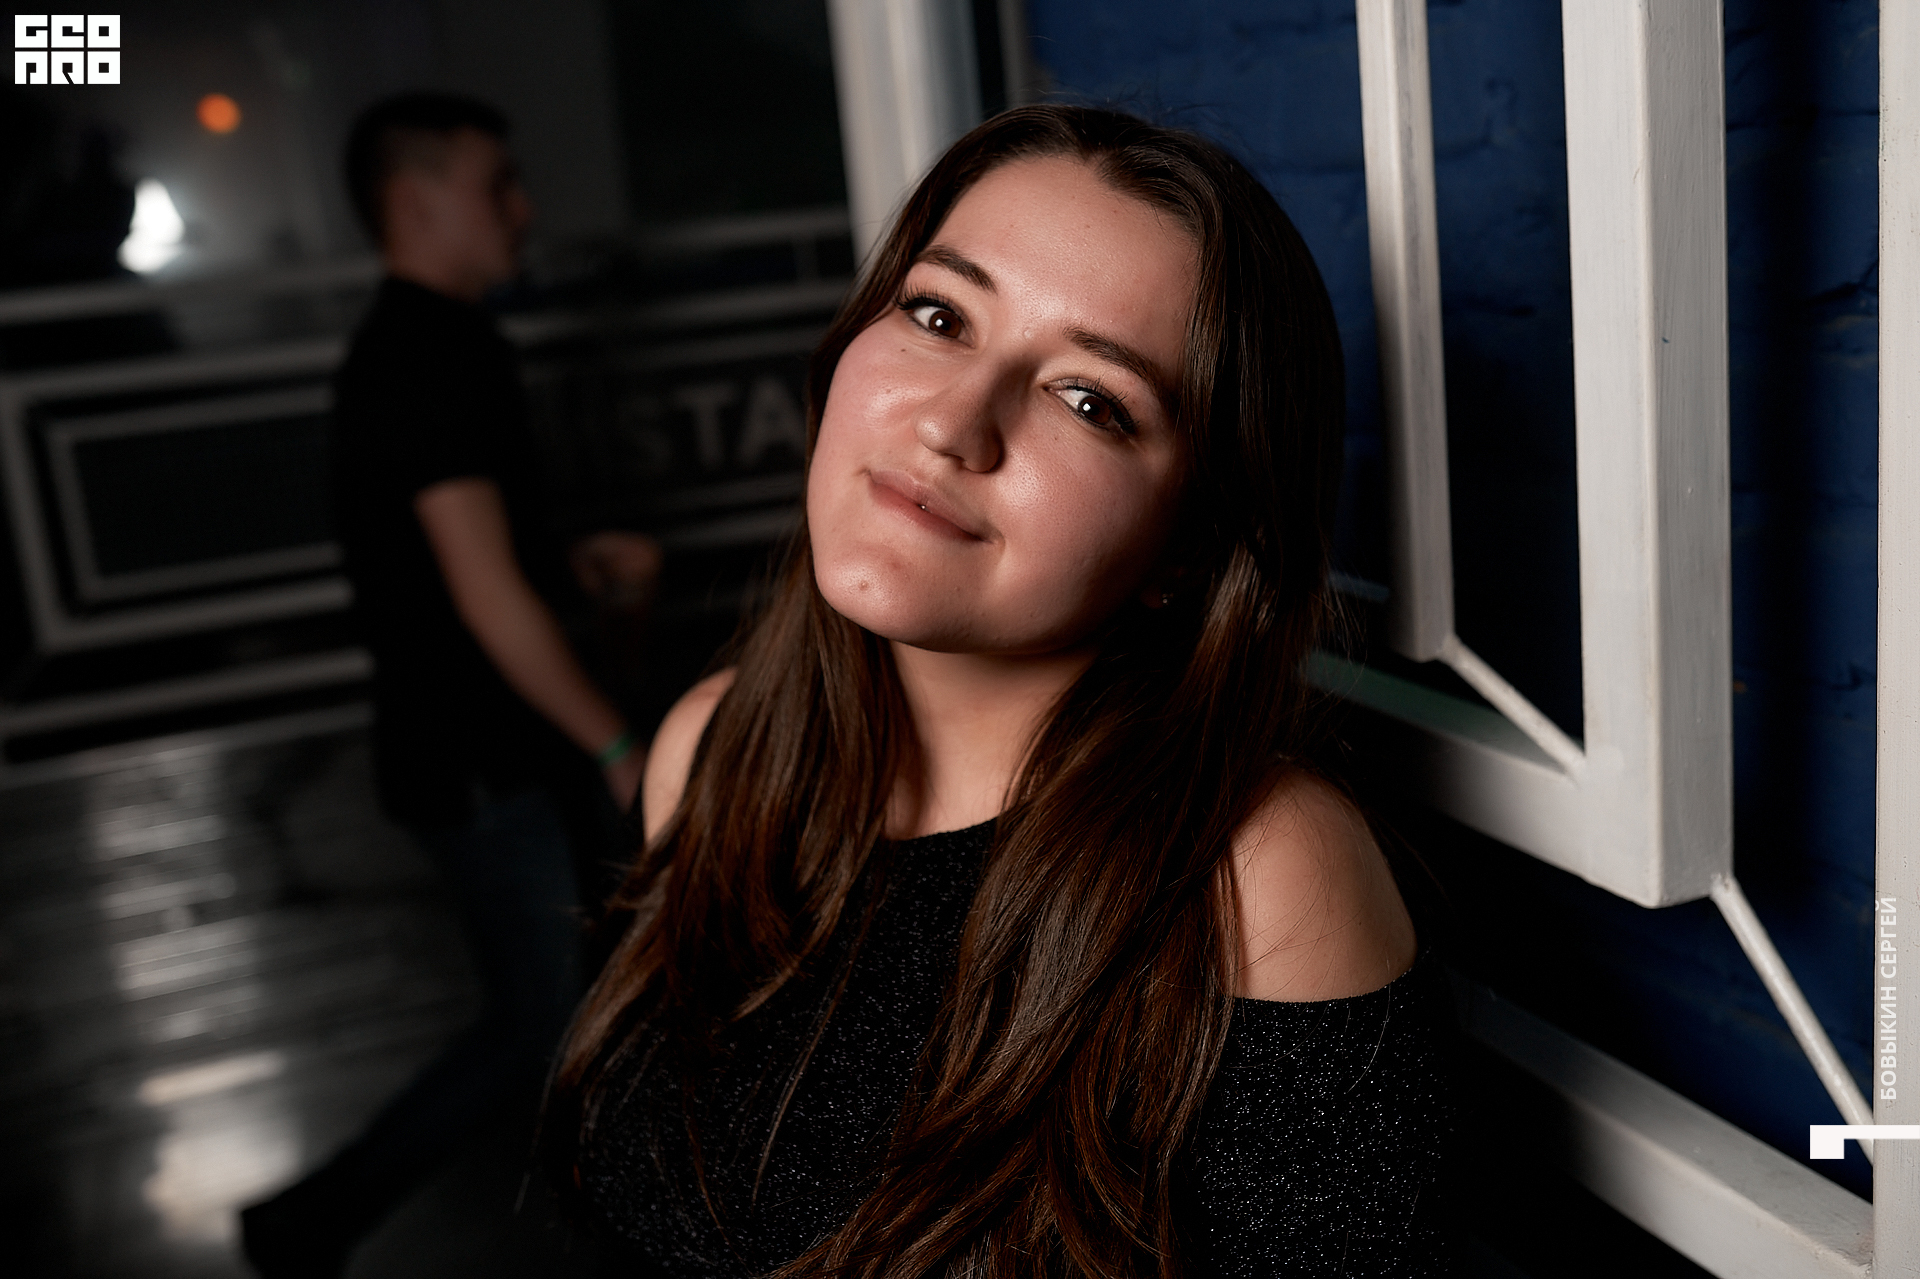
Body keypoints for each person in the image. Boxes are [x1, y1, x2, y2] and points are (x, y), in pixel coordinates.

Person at [550, 105, 1454, 1277]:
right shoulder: (713, 747)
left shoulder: (1257, 873)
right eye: (938, 315)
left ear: (1190, 547)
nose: (952, 424)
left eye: (1090, 399)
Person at [240, 92, 659, 1278]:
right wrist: (618, 744)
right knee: (546, 1022)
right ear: (414, 200)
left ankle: (315, 1223)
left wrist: (567, 564)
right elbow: (482, 595)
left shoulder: (428, 344)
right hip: (480, 759)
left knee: (568, 1011)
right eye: (496, 184)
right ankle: (310, 1221)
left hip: (474, 749)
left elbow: (467, 565)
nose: (522, 208)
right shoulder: (427, 356)